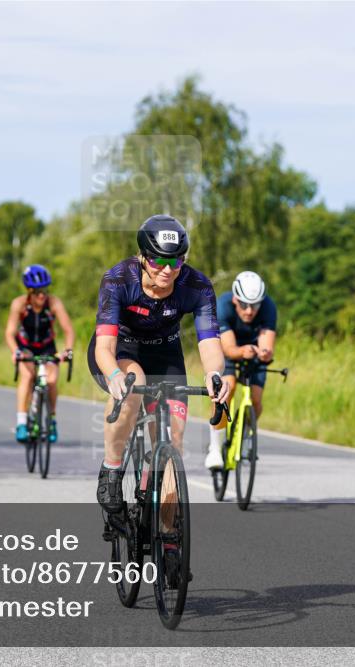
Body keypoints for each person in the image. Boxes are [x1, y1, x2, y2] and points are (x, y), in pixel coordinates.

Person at [89, 215, 231, 543]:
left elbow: (210, 343)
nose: (167, 269)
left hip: (165, 353)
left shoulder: (196, 286)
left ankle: (167, 534)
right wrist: (114, 375)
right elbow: (104, 347)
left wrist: (214, 374)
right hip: (120, 349)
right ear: (143, 257)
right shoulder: (118, 279)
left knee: (173, 439)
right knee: (133, 382)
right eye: (158, 261)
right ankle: (112, 469)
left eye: (176, 261)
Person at [205, 270, 278, 470]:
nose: (249, 311)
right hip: (229, 350)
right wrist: (242, 351)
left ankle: (245, 435)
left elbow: (267, 345)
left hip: (253, 351)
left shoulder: (268, 307)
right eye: (244, 305)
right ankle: (215, 447)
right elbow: (228, 348)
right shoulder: (223, 305)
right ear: (235, 299)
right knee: (227, 389)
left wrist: (265, 353)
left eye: (255, 305)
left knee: (256, 399)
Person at [4, 264, 75, 444]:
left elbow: (68, 330)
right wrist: (15, 351)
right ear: (29, 291)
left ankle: (51, 420)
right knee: (27, 376)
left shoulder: (54, 303)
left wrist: (67, 350)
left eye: (44, 290)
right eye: (37, 292)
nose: (41, 295)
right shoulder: (19, 304)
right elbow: (10, 333)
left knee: (51, 380)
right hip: (26, 347)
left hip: (47, 347)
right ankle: (21, 422)